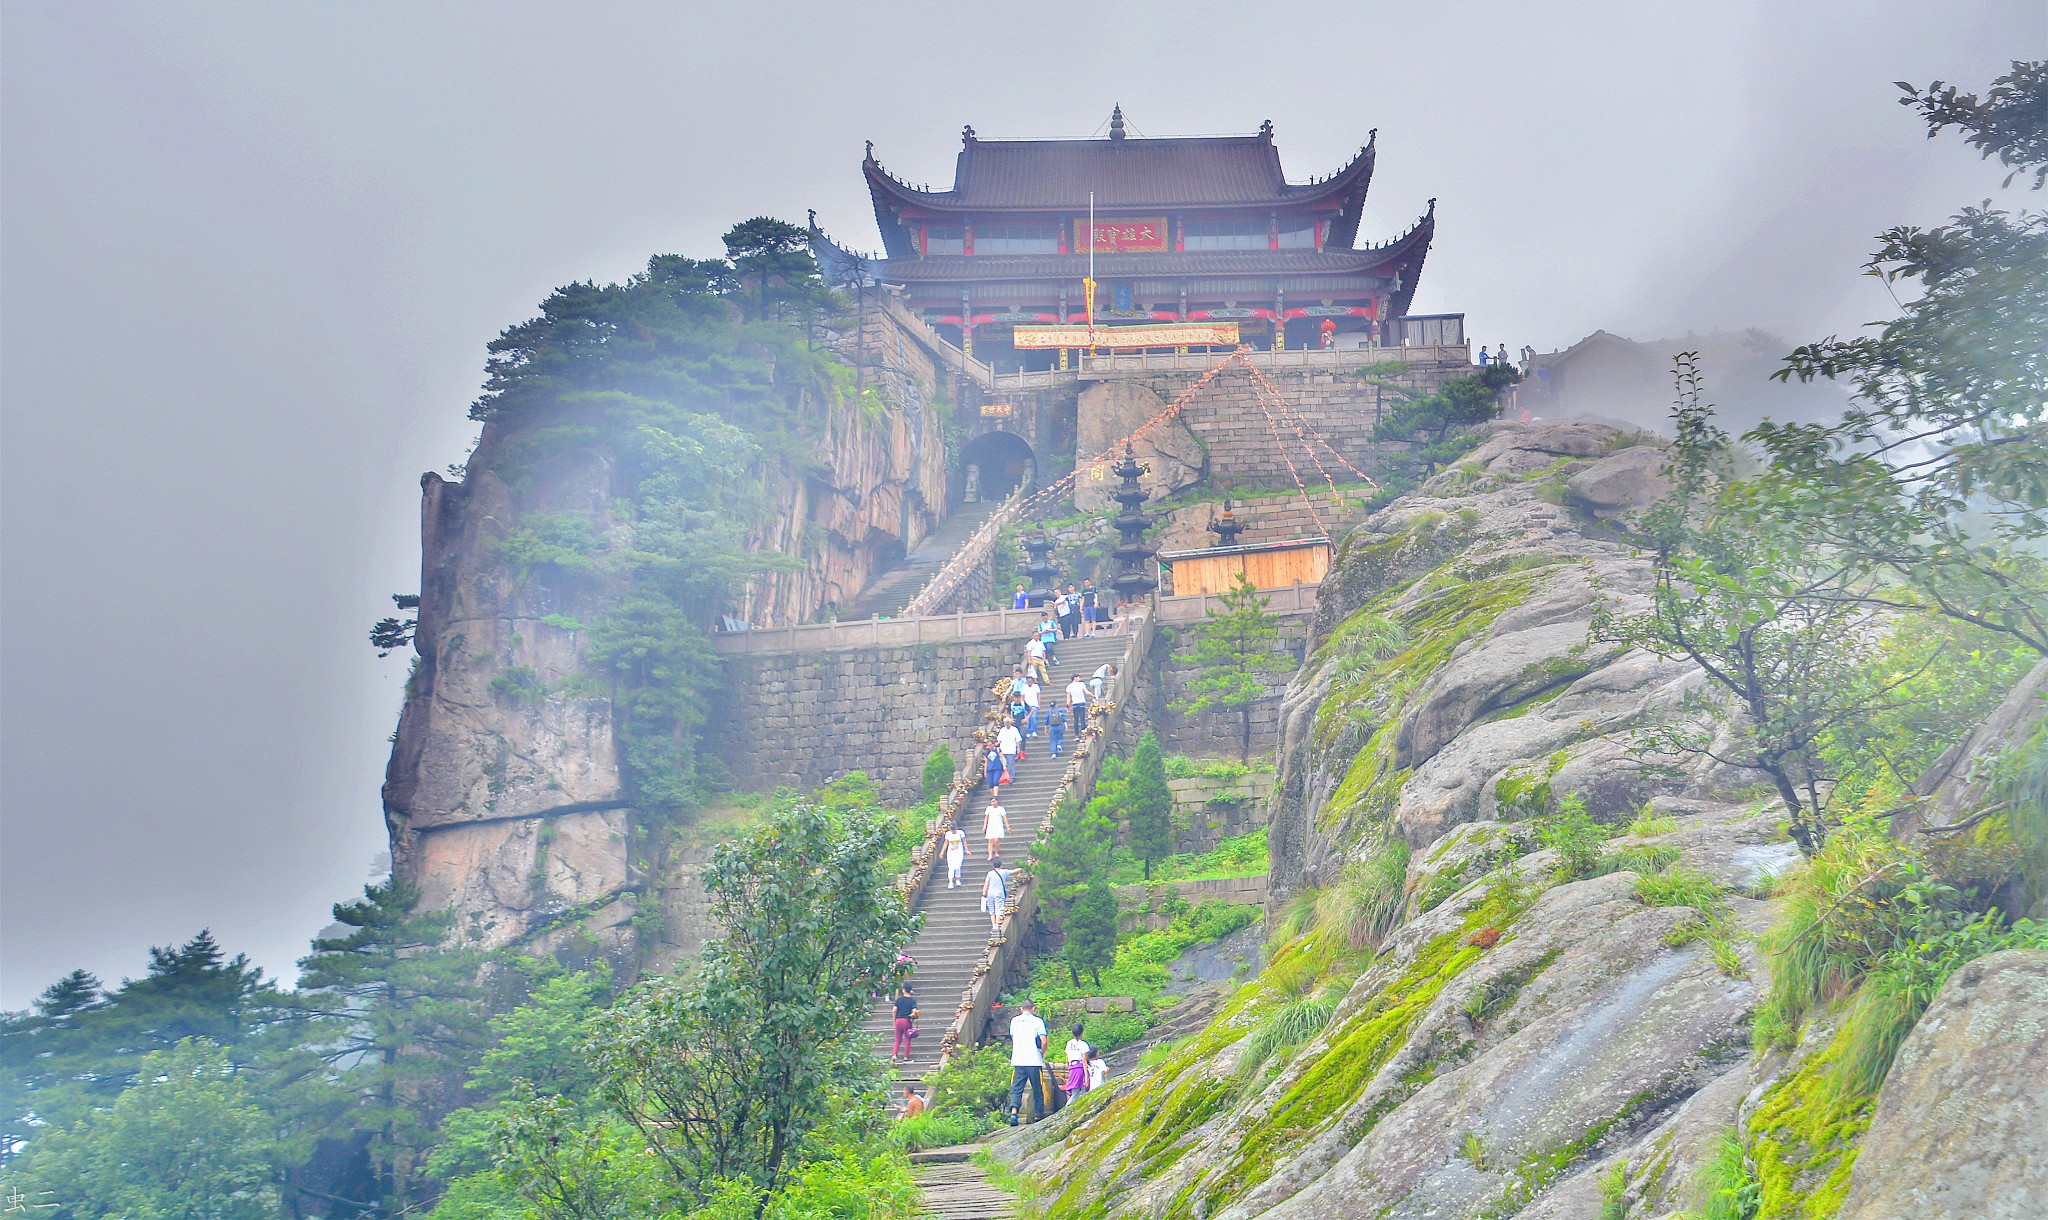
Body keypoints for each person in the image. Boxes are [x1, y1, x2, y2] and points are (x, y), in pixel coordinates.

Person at [1006, 999, 1049, 1125]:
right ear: (1034, 1009)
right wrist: (1042, 1053)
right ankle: (1038, 1115)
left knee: (1017, 1088)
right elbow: (1044, 1041)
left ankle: (1014, 1112)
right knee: (1037, 1088)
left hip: (1018, 1060)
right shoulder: (1037, 1021)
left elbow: (1013, 1037)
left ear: (1021, 1009)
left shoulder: (1014, 1021)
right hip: (1034, 1060)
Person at [1063, 1022, 1091, 1101]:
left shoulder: (1069, 1043)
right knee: (1076, 1092)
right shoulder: (1083, 1044)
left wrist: (1069, 1069)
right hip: (1079, 1067)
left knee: (1076, 1090)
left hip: (1072, 1067)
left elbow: (1067, 1058)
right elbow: (1084, 1061)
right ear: (1082, 1032)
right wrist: (1086, 1076)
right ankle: (1066, 1110)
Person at [891, 986, 918, 1062]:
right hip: (906, 1021)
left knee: (898, 1040)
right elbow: (914, 1011)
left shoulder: (899, 1000)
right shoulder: (912, 1001)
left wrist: (894, 1020)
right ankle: (906, 1057)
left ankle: (894, 1054)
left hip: (898, 1020)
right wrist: (913, 1015)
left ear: (903, 990)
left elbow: (894, 1010)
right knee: (907, 1039)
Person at [982, 858, 1009, 931]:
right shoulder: (1004, 872)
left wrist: (984, 894)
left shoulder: (990, 873)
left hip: (990, 893)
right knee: (999, 910)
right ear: (1001, 865)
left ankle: (994, 925)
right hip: (999, 893)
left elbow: (986, 884)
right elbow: (1014, 871)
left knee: (992, 911)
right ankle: (997, 925)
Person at [944, 823, 967, 887]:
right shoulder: (948, 834)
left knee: (958, 865)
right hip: (951, 851)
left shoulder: (960, 833)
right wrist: (942, 852)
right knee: (951, 866)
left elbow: (964, 841)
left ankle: (958, 879)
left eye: (954, 830)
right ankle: (950, 881)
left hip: (959, 851)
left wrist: (967, 850)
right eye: (952, 830)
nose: (953, 831)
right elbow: (946, 843)